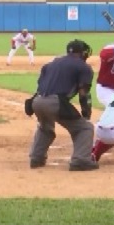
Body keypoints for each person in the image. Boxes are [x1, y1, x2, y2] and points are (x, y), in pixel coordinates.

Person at [25, 39, 98, 171]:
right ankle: (80, 160)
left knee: (45, 128)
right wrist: (86, 112)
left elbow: (41, 87)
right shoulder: (83, 67)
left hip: (37, 101)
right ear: (82, 53)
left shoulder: (50, 64)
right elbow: (83, 93)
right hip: (55, 102)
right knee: (84, 128)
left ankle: (36, 158)